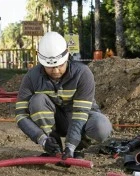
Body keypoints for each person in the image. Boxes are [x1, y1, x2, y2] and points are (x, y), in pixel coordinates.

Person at [15, 31, 112, 160]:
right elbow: (21, 115)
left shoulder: (83, 74)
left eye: (60, 65)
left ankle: (78, 148)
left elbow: (80, 113)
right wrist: (42, 139)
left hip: (80, 119)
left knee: (102, 127)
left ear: (67, 57)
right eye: (50, 67)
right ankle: (54, 147)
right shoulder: (31, 77)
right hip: (56, 122)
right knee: (37, 101)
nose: (55, 71)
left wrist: (71, 146)